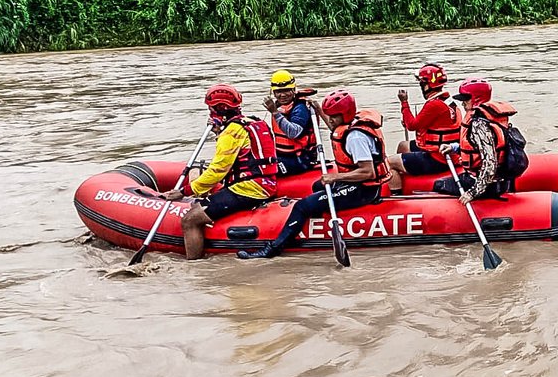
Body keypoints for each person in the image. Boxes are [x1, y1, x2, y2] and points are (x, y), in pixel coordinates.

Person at [238, 91, 389, 259]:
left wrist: (335, 177)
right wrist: (318, 109)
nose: (331, 119)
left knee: (302, 206)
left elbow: (368, 172)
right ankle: (316, 221)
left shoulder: (356, 138)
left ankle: (273, 249)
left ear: (344, 114)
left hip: (363, 190)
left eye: (334, 116)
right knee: (317, 186)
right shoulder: (350, 125)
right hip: (356, 184)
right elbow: (335, 129)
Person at [161, 84, 277, 260]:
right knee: (201, 202)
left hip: (249, 188)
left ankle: (194, 266)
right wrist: (219, 130)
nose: (210, 112)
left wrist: (184, 191)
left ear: (220, 109)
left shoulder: (231, 132)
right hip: (265, 182)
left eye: (211, 108)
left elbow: (217, 171)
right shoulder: (254, 122)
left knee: (190, 219)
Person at [435, 77, 519, 203]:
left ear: (476, 99)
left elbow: (490, 163)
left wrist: (473, 192)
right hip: (501, 182)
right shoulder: (493, 117)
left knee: (438, 185)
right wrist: (453, 147)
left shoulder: (478, 124)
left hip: (487, 185)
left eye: (466, 99)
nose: (463, 104)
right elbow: (477, 147)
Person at [388, 63, 461, 191]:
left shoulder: (434, 105)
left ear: (427, 85)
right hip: (444, 150)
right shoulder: (447, 101)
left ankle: (396, 194)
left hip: (438, 158)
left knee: (388, 163)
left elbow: (411, 125)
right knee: (403, 145)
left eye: (421, 83)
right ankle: (405, 175)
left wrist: (404, 103)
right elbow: (430, 124)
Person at [264, 68, 317, 176]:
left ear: (293, 90)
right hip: (283, 155)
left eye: (286, 90)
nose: (282, 95)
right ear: (273, 92)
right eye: (278, 92)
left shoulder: (300, 108)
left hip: (300, 159)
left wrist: (275, 113)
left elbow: (293, 133)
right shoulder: (279, 106)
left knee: (263, 169)